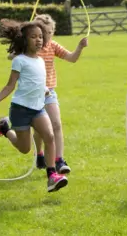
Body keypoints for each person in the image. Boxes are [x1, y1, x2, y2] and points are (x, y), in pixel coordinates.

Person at [0, 19, 68, 192]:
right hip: (20, 109)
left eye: (41, 37)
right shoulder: (19, 61)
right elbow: (10, 86)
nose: (39, 40)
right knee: (25, 148)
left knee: (49, 136)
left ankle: (52, 176)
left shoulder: (41, 61)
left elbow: (37, 80)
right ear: (24, 40)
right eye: (34, 37)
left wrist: (44, 90)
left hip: (38, 109)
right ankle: (5, 129)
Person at [8, 14, 88, 174]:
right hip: (31, 95)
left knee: (56, 124)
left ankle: (59, 160)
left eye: (50, 32)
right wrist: (17, 51)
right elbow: (12, 57)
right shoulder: (28, 49)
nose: (46, 36)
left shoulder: (52, 45)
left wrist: (79, 47)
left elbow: (71, 58)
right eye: (43, 33)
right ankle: (40, 154)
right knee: (39, 131)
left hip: (48, 93)